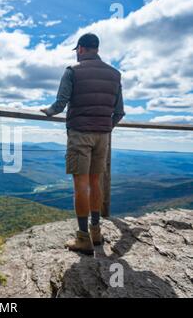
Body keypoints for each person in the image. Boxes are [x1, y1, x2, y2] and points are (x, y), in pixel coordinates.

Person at [40, 33, 125, 255]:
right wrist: (106, 127)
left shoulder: (72, 71)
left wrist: (48, 111)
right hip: (103, 136)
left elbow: (60, 104)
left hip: (79, 134)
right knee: (96, 182)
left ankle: (83, 239)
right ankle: (96, 232)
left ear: (80, 49)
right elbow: (119, 112)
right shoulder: (115, 74)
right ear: (96, 49)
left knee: (81, 185)